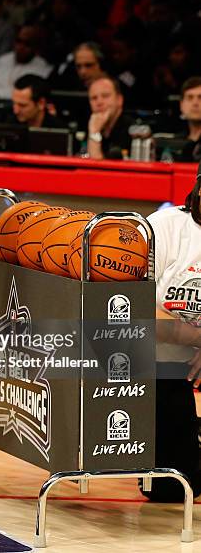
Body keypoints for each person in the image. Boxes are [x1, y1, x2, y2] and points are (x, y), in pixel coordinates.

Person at [141, 165, 201, 502]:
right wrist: (194, 338)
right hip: (162, 352)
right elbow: (134, 307)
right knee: (172, 490)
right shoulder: (164, 227)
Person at [0, 25, 53, 100]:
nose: (21, 47)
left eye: (27, 43)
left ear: (36, 46)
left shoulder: (43, 69)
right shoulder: (2, 60)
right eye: (19, 41)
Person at [86, 75, 134, 160]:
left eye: (105, 96)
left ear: (119, 100)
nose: (99, 102)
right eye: (94, 98)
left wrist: (94, 133)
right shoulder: (88, 124)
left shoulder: (133, 131)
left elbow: (97, 170)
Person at [178, 76, 201, 160]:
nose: (195, 103)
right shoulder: (175, 142)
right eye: (190, 97)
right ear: (181, 105)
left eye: (200, 97)